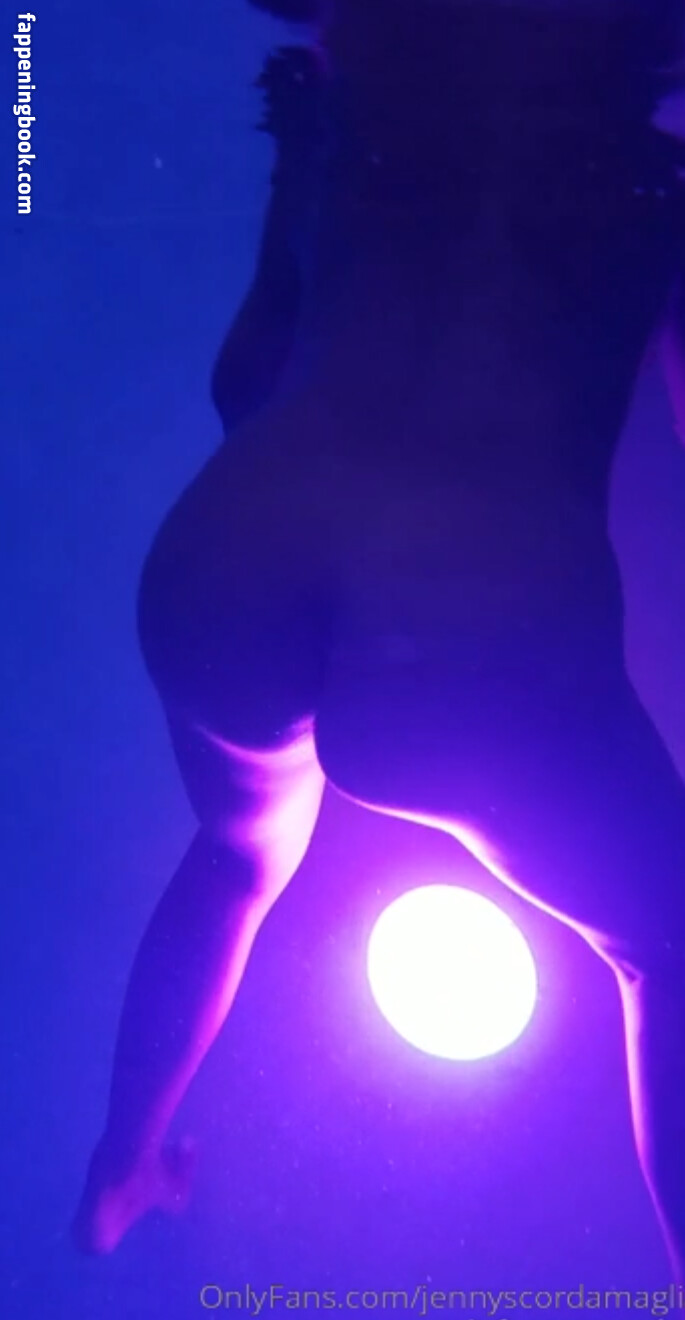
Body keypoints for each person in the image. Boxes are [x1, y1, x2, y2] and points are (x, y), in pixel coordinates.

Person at [73, 0, 685, 1278]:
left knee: (234, 858)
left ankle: (123, 1167)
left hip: (234, 549)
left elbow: (243, 378)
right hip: (477, 601)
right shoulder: (657, 187)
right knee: (665, 949)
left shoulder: (348, 124)